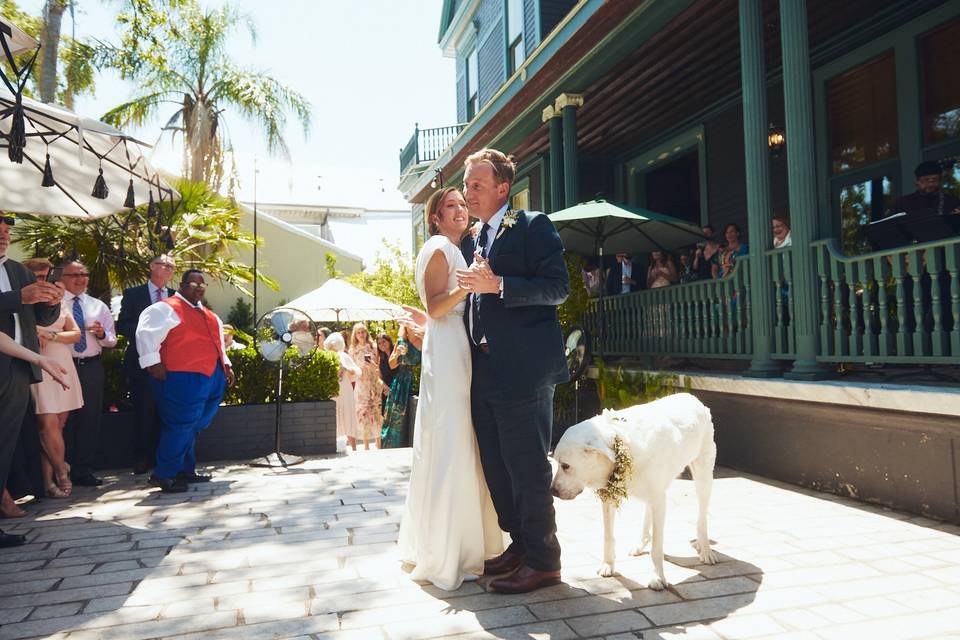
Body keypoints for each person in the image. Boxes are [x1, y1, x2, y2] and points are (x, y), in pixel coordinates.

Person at [455, 148, 570, 594]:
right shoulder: (471, 239)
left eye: (477, 185)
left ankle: (545, 560)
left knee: (526, 467)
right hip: (483, 368)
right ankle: (520, 544)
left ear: (503, 188)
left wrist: (499, 284)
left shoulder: (532, 226)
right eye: (466, 185)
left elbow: (557, 287)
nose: (468, 193)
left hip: (524, 369)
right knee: (496, 465)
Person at [397, 185, 504, 591]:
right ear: (435, 218)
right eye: (450, 206)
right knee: (452, 440)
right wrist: (470, 283)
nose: (460, 209)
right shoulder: (441, 248)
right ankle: (447, 550)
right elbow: (436, 307)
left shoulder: (458, 248)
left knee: (463, 440)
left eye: (462, 204)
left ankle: (467, 541)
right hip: (447, 352)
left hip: (457, 348)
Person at [136, 270, 235, 493]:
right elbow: (145, 335)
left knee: (194, 425)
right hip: (180, 375)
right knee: (180, 425)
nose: (198, 287)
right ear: (181, 285)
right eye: (192, 283)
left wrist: (226, 366)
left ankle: (185, 469)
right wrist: (153, 362)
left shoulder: (210, 315)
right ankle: (164, 474)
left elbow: (218, 343)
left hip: (211, 376)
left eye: (202, 284)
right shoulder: (164, 308)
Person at [0, 212, 63, 547]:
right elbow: (17, 303)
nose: (3, 236)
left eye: (7, 231)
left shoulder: (19, 271)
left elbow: (37, 314)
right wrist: (17, 298)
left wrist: (53, 303)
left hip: (19, 368)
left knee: (5, 444)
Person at [24, 259, 83, 498]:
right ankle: (61, 470)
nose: (42, 280)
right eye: (37, 276)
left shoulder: (57, 301)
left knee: (57, 426)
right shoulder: (23, 301)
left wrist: (52, 334)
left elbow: (76, 334)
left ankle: (47, 483)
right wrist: (38, 333)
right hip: (37, 366)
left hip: (63, 365)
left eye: (45, 276)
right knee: (47, 426)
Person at [117, 254, 176, 475]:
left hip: (171, 363)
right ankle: (142, 458)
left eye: (172, 266)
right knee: (144, 411)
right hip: (141, 362)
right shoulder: (133, 294)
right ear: (152, 266)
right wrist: (149, 334)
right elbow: (123, 325)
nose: (168, 269)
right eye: (164, 264)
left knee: (167, 412)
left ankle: (165, 458)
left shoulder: (175, 296)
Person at [60, 260, 117, 488]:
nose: (80, 278)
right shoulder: (54, 304)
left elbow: (112, 341)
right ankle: (62, 467)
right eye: (74, 274)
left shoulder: (98, 306)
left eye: (84, 274)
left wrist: (102, 334)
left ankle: (83, 470)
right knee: (63, 419)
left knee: (89, 418)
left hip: (91, 367)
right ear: (62, 278)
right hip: (63, 366)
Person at [379, 325, 422, 449]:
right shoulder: (401, 342)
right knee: (395, 417)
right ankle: (391, 446)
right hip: (400, 382)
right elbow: (392, 365)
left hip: (417, 380)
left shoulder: (423, 338)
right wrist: (397, 353)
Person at [324, 332, 362, 451]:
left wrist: (346, 369)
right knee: (334, 416)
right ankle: (333, 447)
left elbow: (357, 372)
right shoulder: (326, 356)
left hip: (345, 390)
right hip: (333, 390)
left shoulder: (344, 356)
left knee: (348, 416)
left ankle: (354, 448)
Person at [348, 322, 382, 450]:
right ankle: (366, 445)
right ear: (355, 335)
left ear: (366, 333)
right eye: (358, 332)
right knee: (363, 413)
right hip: (361, 384)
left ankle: (378, 442)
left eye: (363, 332)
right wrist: (358, 371)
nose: (361, 335)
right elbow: (351, 370)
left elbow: (378, 365)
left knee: (376, 411)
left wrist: (372, 364)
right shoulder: (352, 350)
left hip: (373, 382)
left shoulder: (373, 347)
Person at [890, 161, 960, 217]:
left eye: (934, 180)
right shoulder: (901, 203)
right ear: (917, 182)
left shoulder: (952, 201)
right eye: (926, 180)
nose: (930, 184)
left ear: (940, 181)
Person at [376, 332, 397, 413]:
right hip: (386, 390)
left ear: (389, 341)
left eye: (384, 341)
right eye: (379, 343)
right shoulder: (381, 358)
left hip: (397, 388)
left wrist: (392, 390)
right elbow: (378, 377)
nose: (382, 344)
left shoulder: (396, 354)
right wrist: (386, 388)